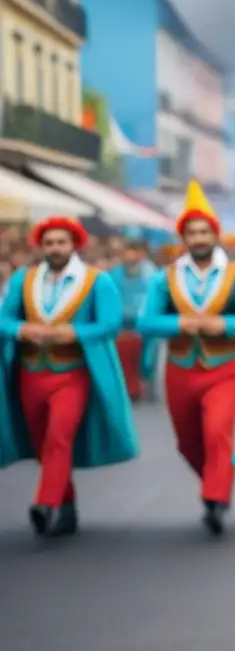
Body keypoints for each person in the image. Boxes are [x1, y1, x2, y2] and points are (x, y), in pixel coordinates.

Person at [138, 180, 235, 535]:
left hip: (223, 367)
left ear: (214, 234)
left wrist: (225, 324)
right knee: (186, 442)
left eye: (204, 231)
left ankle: (215, 498)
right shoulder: (165, 279)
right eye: (191, 232)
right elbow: (146, 322)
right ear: (183, 237)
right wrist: (179, 322)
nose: (198, 238)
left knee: (217, 434)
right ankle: (215, 481)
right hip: (179, 368)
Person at [0, 216, 138, 537]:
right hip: (30, 374)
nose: (55, 248)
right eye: (49, 243)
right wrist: (23, 329)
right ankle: (66, 505)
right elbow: (4, 321)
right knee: (41, 443)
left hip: (72, 374)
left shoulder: (96, 281)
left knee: (59, 438)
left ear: (75, 245)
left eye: (61, 242)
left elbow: (109, 324)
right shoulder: (24, 280)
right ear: (40, 246)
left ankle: (45, 504)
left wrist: (72, 332)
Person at [108, 230, 159, 401]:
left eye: (134, 251)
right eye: (127, 251)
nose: (130, 255)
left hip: (144, 322)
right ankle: (125, 386)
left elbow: (152, 300)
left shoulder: (152, 274)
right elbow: (111, 296)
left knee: (147, 357)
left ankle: (146, 383)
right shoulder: (115, 273)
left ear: (142, 253)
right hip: (122, 322)